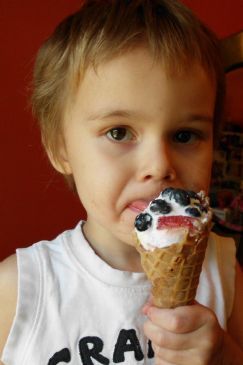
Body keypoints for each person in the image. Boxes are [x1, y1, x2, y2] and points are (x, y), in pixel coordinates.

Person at [0, 0, 243, 364]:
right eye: (118, 132)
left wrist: (225, 355)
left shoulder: (224, 272)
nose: (159, 166)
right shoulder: (20, 290)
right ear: (61, 149)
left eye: (184, 135)